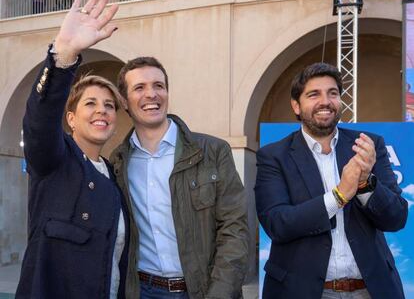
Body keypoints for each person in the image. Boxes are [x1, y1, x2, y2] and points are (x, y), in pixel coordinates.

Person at [16, 0, 138, 299]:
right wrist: (64, 55)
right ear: (70, 118)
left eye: (110, 106)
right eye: (91, 104)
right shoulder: (54, 159)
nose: (102, 111)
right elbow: (38, 122)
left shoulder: (112, 175)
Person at [255, 62, 408, 299]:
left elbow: (396, 218)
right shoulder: (273, 156)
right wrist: (338, 196)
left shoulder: (367, 146)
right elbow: (278, 223)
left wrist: (366, 182)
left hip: (370, 290)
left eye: (333, 93)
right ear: (296, 105)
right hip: (303, 291)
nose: (325, 101)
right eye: (314, 94)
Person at [110, 55, 249, 298]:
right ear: (124, 100)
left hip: (203, 290)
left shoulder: (213, 151)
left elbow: (234, 230)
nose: (151, 94)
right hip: (142, 290)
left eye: (158, 86)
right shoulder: (118, 162)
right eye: (139, 87)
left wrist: (220, 293)